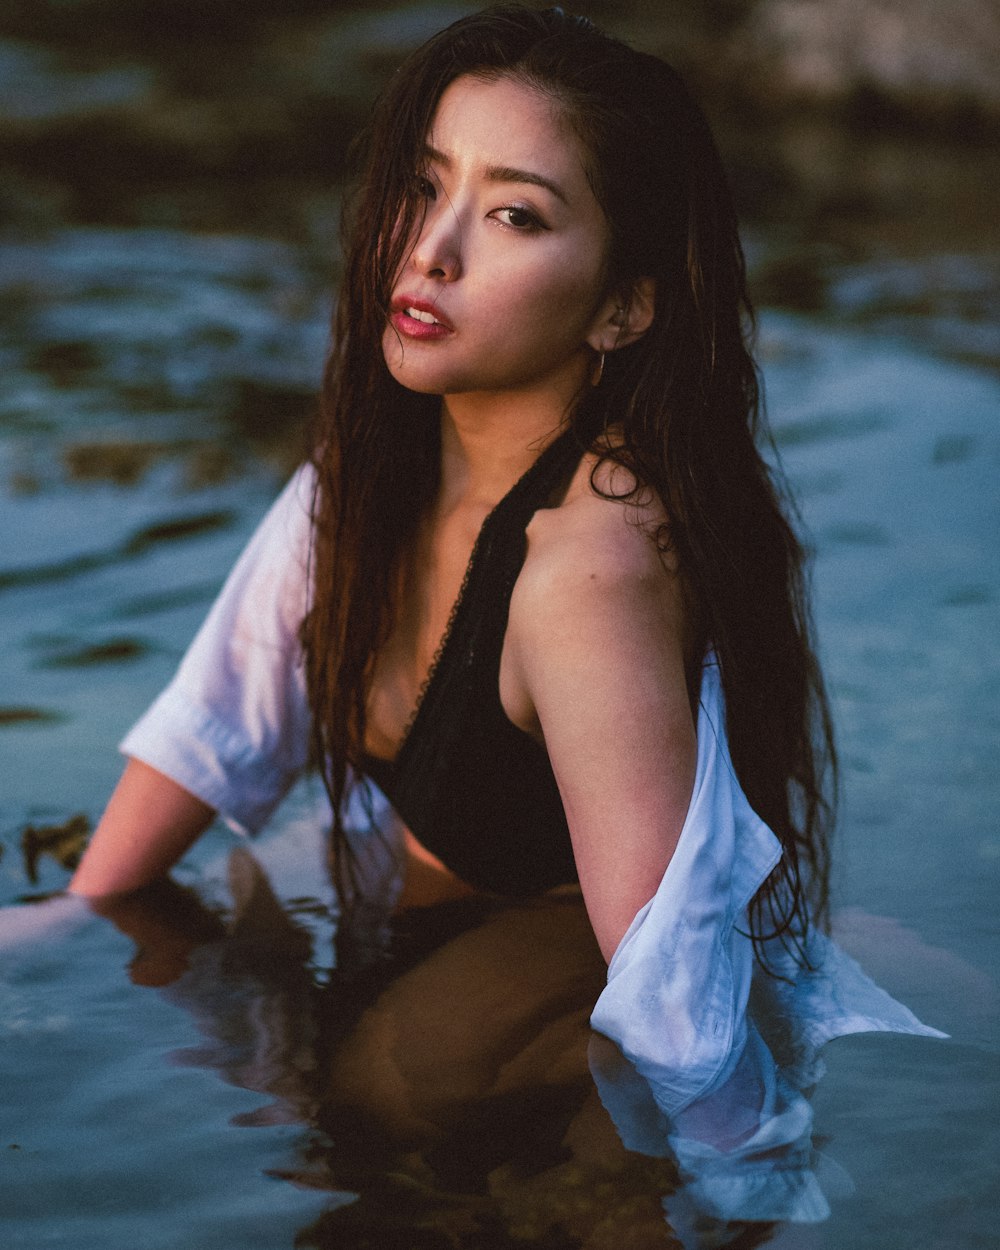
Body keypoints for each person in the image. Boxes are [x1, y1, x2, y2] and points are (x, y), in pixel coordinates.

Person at [66, 4, 941, 1128]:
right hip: (410, 878)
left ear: (622, 307)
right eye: (425, 185)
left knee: (375, 1086)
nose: (430, 248)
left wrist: (730, 1178)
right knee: (216, 1016)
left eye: (514, 214)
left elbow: (670, 985)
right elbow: (218, 722)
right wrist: (74, 920)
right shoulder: (376, 467)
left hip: (562, 923)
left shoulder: (590, 564)